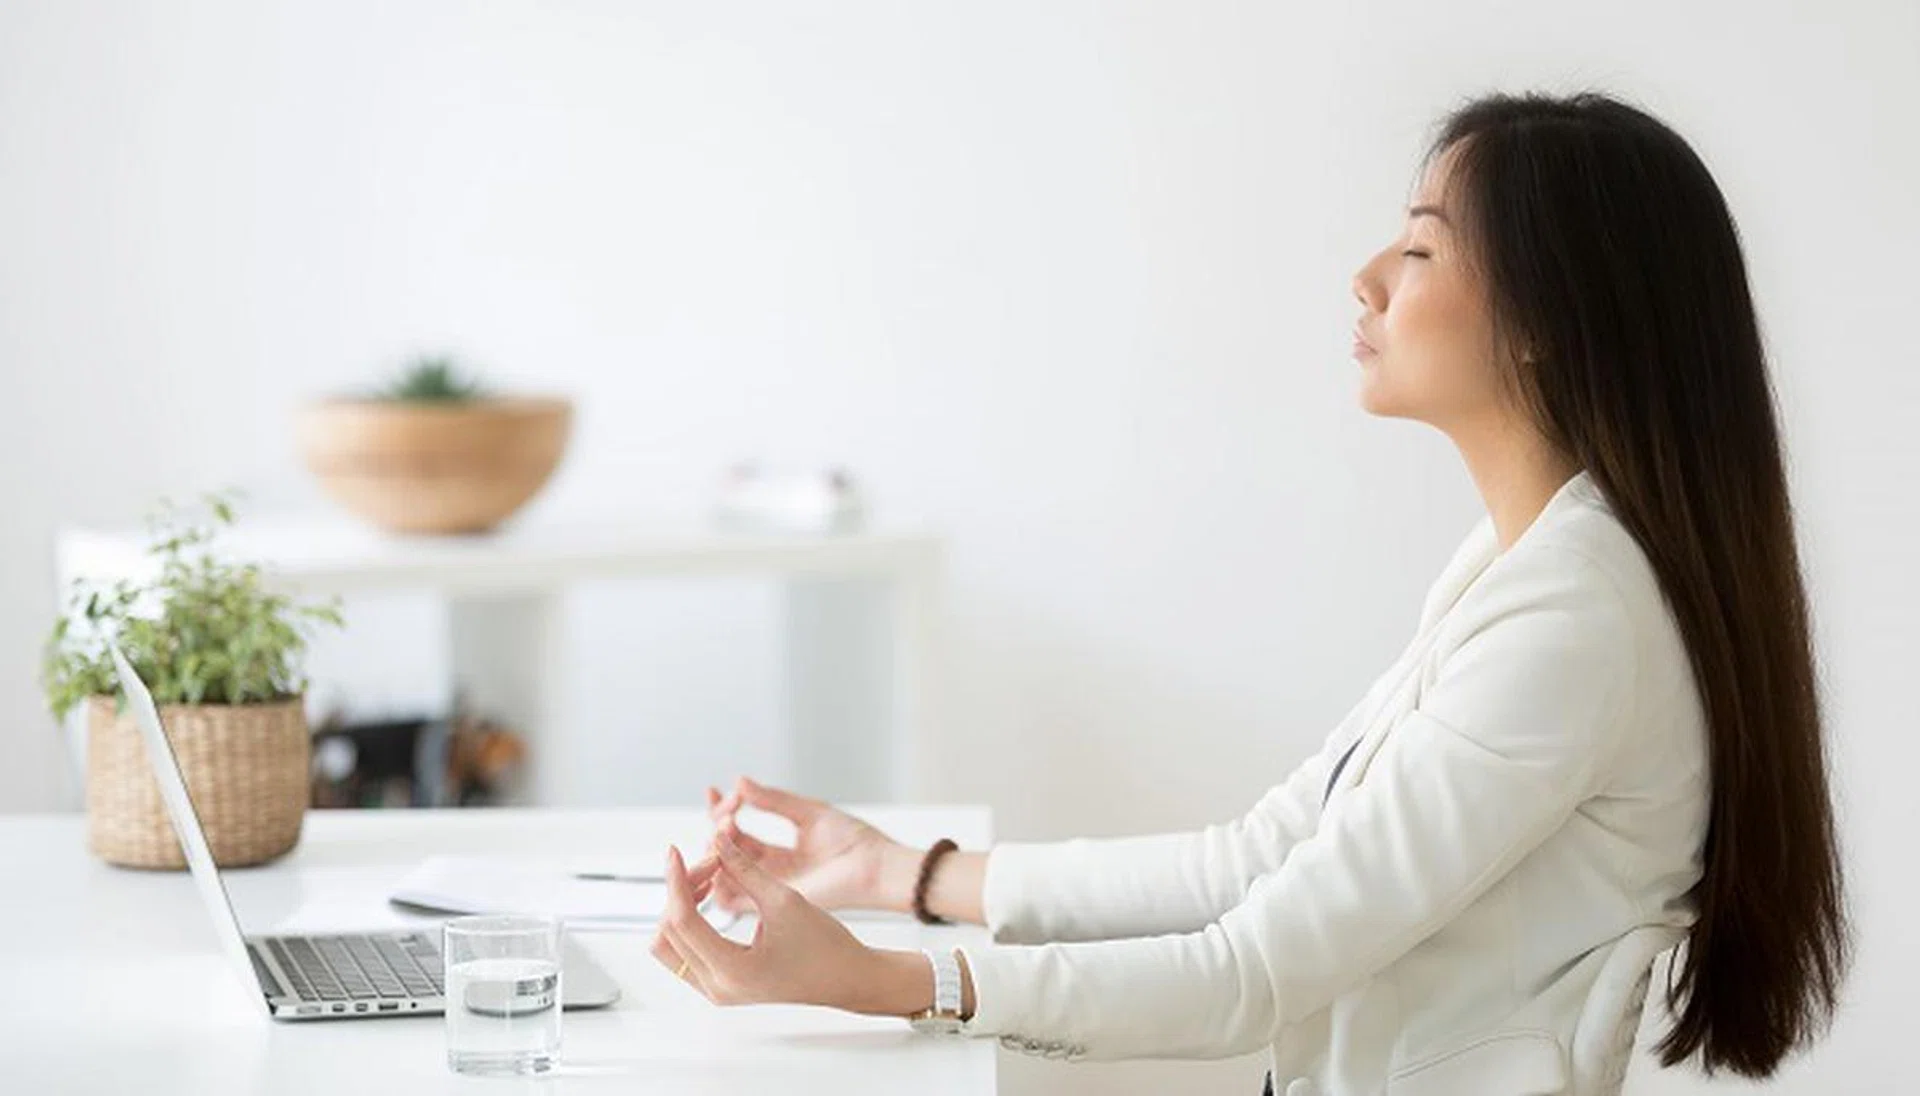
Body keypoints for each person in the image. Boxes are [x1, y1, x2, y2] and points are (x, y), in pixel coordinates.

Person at [647, 88, 1852, 1095]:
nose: (1369, 277)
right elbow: (1263, 858)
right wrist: (904, 873)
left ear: (1548, 322)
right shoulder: (1527, 565)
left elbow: (1253, 970)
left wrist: (879, 979)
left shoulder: (1579, 620)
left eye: (1421, 248)